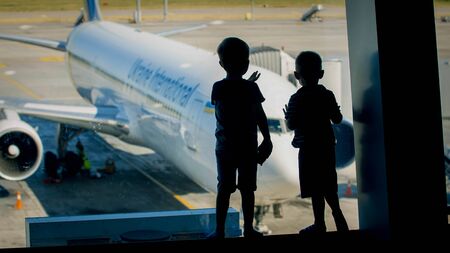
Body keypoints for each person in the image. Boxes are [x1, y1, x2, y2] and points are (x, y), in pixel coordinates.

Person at [208, 37, 273, 239]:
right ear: (246, 64)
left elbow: (228, 97)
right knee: (247, 191)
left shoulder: (218, 88)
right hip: (247, 148)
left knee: (224, 190)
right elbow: (259, 114)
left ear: (221, 64)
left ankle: (219, 231)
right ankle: (249, 230)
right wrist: (267, 138)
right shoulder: (251, 89)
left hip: (225, 148)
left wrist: (243, 85)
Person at [283, 51, 349, 234]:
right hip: (326, 148)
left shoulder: (296, 98)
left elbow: (291, 124)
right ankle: (340, 220)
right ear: (321, 74)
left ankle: (319, 223)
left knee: (315, 190)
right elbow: (337, 119)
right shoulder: (327, 95)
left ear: (297, 76)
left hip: (308, 150)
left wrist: (288, 115)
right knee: (329, 187)